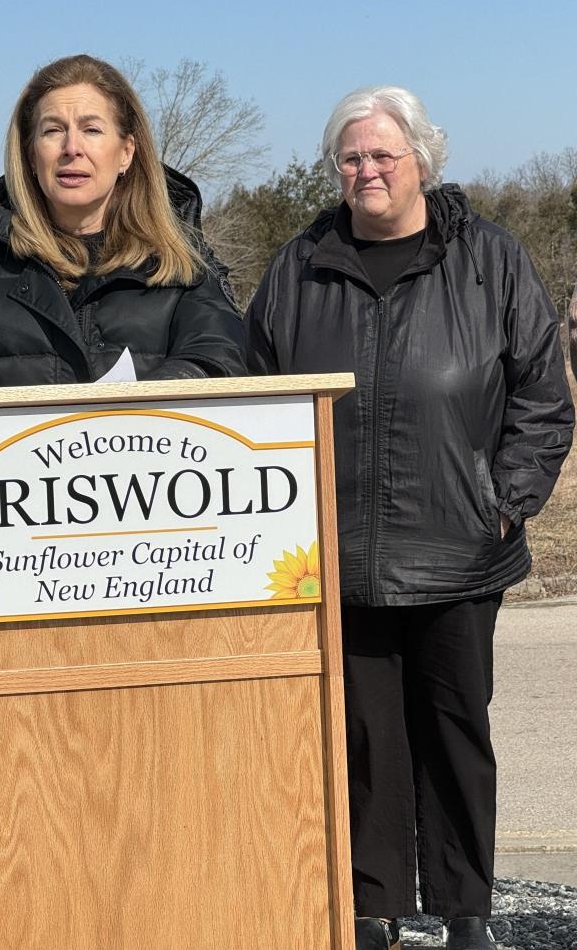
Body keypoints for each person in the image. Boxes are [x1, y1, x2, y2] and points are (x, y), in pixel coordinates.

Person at [244, 87, 573, 950]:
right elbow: (253, 391)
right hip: (341, 555)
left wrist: (503, 503)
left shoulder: (489, 259)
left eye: (384, 154)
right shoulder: (297, 268)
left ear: (422, 159)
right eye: (352, 158)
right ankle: (373, 905)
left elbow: (544, 395)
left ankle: (468, 909)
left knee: (457, 732)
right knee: (363, 741)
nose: (368, 170)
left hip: (461, 550)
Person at [0, 54, 244, 391]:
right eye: (53, 130)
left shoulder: (188, 266)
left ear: (126, 152)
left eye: (91, 129)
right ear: (30, 155)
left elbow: (218, 362)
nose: (72, 148)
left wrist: (121, 414)